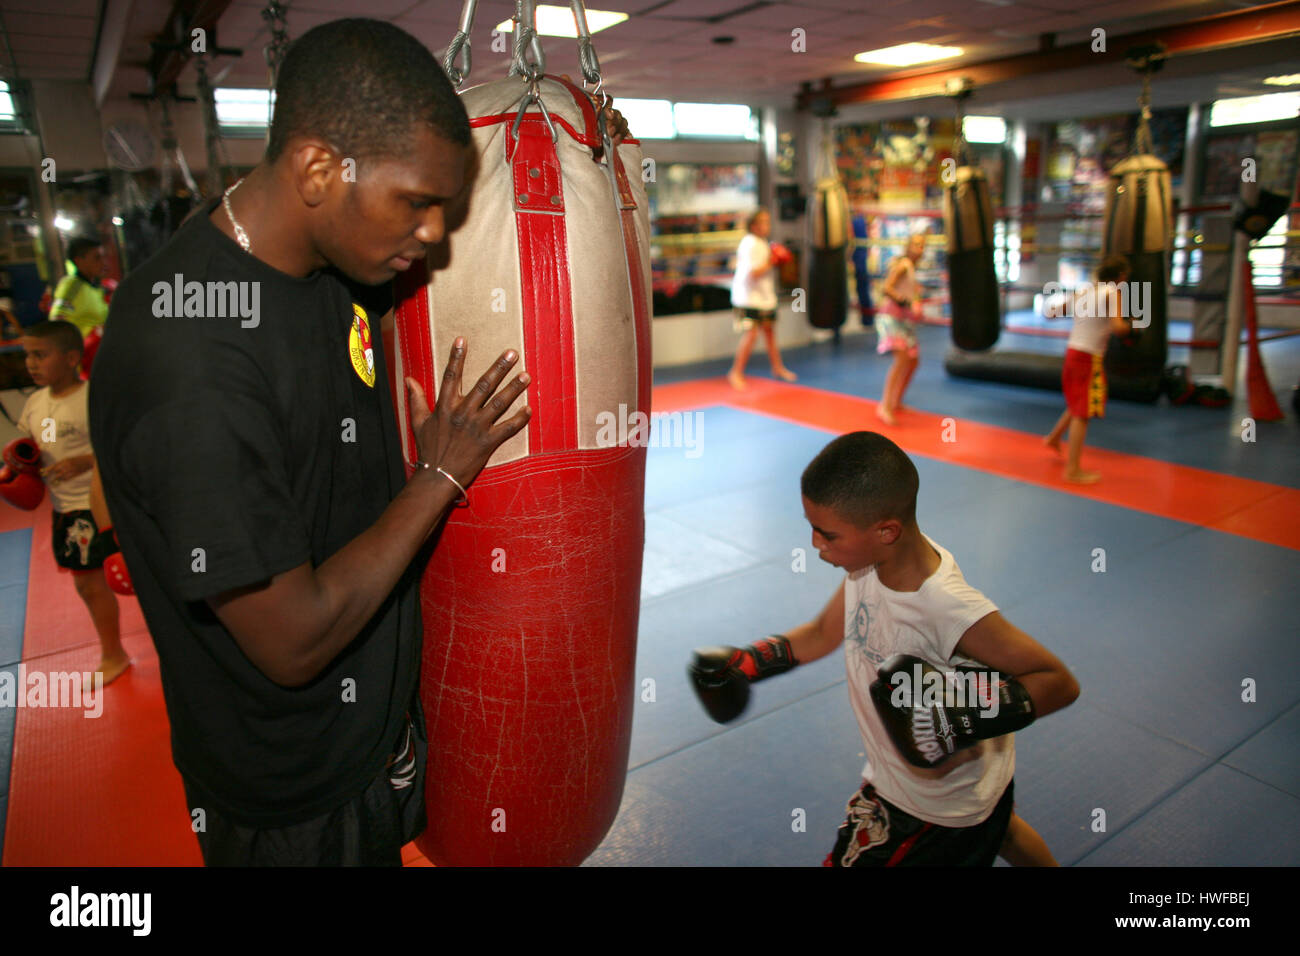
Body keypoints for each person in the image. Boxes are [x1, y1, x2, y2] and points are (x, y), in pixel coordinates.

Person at [88, 19, 543, 866]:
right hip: (291, 794)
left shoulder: (334, 270)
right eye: (418, 202)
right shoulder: (187, 356)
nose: (436, 236)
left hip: (373, 732)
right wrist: (438, 474)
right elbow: (292, 640)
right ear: (317, 169)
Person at [689, 431, 1080, 866]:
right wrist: (750, 662)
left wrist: (956, 715)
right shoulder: (867, 566)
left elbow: (1058, 682)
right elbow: (822, 633)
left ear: (886, 530)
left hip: (927, 806)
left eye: (828, 535)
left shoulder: (945, 606)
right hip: (973, 786)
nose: (816, 544)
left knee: (985, 828)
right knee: (1000, 830)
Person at [17, 320, 130, 688]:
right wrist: (25, 464)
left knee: (128, 579)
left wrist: (84, 461)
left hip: (101, 504)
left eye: (40, 355)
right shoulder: (38, 404)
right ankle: (113, 654)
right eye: (28, 355)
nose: (31, 363)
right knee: (88, 586)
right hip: (65, 509)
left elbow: (118, 447)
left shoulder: (93, 398)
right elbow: (49, 441)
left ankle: (120, 654)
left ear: (70, 358)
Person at [1043, 255, 1133, 483]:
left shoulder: (1085, 292)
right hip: (1088, 358)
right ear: (1121, 277)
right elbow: (1118, 327)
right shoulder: (1112, 293)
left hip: (1072, 353)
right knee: (1083, 414)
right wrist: (1133, 327)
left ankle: (1053, 438)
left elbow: (1050, 313)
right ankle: (1072, 470)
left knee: (1077, 401)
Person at [728, 208, 797, 390]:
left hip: (763, 297)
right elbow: (754, 273)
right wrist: (773, 260)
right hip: (748, 297)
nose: (768, 225)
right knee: (751, 334)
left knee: (769, 332)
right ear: (754, 225)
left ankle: (777, 368)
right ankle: (735, 372)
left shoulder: (761, 242)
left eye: (768, 221)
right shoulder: (750, 243)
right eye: (764, 222)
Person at [874, 233, 927, 425]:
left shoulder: (912, 269)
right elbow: (886, 287)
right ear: (908, 246)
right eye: (915, 245)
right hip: (891, 318)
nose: (918, 249)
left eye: (922, 246)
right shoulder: (904, 265)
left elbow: (912, 296)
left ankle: (896, 401)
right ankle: (884, 406)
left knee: (913, 361)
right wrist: (905, 302)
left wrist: (915, 305)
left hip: (903, 320)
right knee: (902, 359)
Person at [50, 237, 110, 339]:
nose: (103, 262)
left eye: (103, 257)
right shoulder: (72, 286)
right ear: (79, 261)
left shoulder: (97, 289)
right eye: (97, 258)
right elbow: (57, 321)